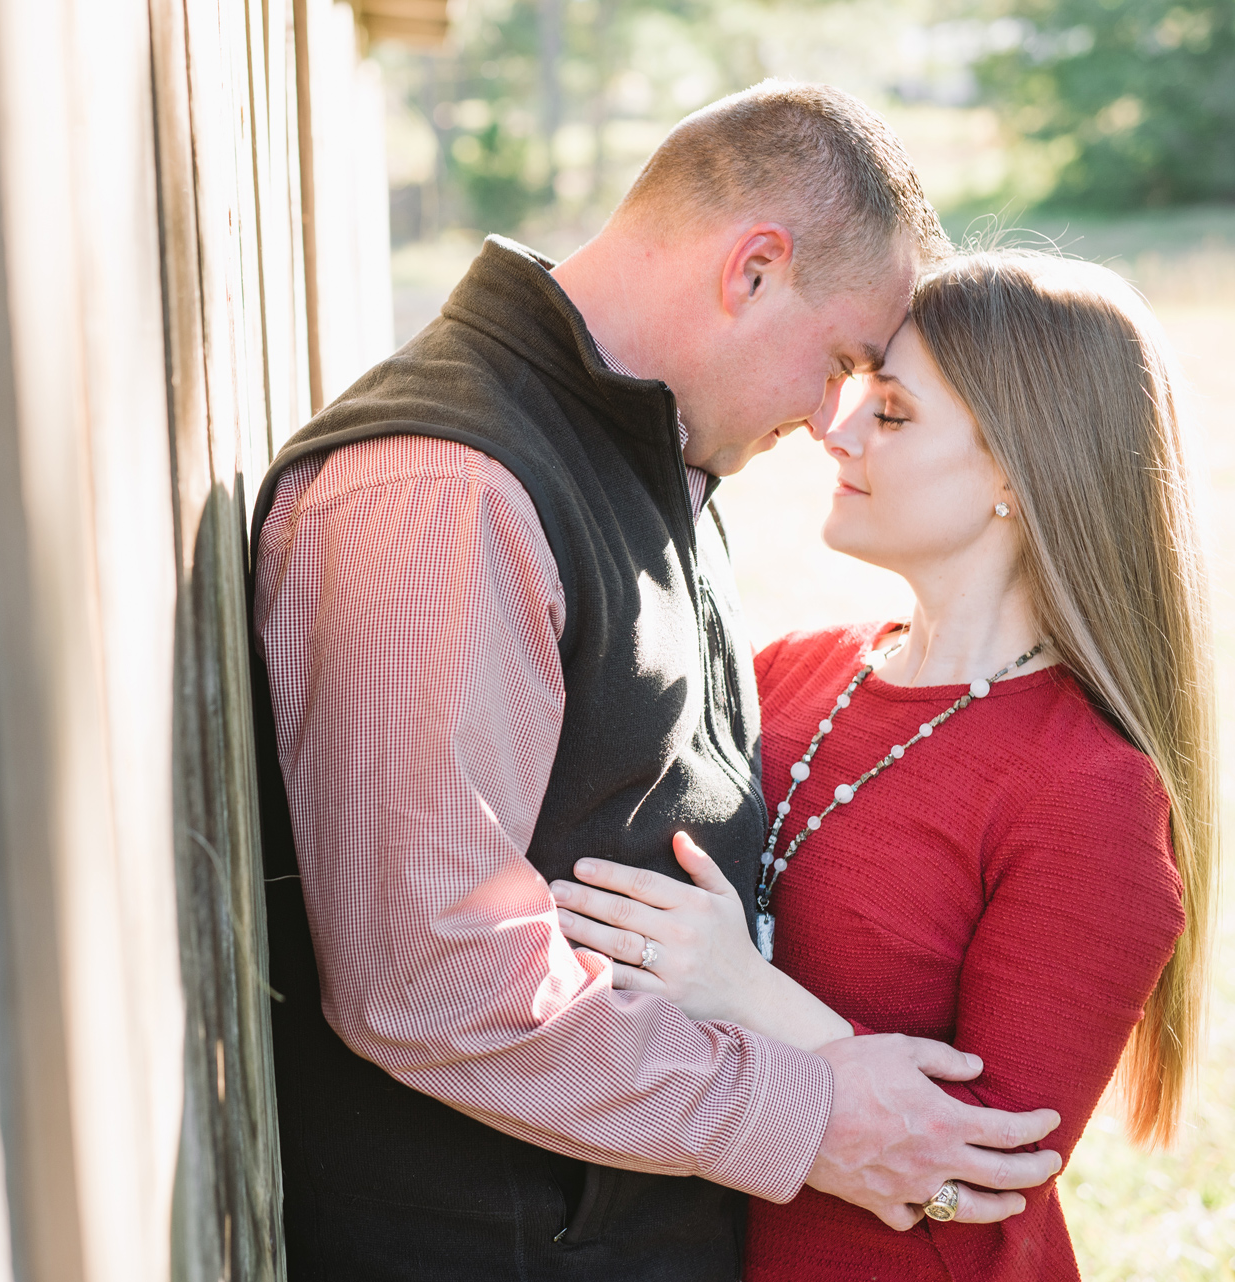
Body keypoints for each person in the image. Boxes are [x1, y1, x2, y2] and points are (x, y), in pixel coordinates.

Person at [249, 82, 1063, 1281]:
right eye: (840, 359)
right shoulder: (443, 491)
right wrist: (810, 1117)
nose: (828, 415)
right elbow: (433, 976)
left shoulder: (648, 455)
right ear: (753, 270)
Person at [552, 249, 1215, 1279]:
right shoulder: (790, 672)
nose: (836, 429)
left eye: (893, 414)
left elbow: (987, 1184)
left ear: (1014, 470)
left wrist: (745, 989)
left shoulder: (1089, 794)